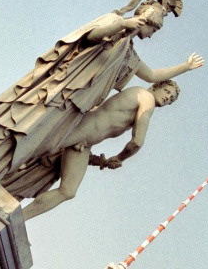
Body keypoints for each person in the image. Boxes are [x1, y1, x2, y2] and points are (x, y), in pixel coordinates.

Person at [0, 0, 203, 194]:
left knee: (36, 138)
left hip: (76, 106)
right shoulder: (116, 21)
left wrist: (185, 66)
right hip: (59, 89)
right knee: (25, 123)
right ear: (146, 18)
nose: (150, 35)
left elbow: (151, 75)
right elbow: (91, 36)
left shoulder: (128, 52)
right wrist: (125, 25)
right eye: (153, 28)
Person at [21, 80, 180, 220]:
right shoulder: (147, 98)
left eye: (171, 99)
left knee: (68, 191)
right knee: (33, 149)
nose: (168, 97)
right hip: (83, 127)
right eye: (167, 91)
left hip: (85, 142)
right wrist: (119, 158)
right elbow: (137, 141)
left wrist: (97, 160)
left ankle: (19, 219)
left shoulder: (137, 103)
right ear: (155, 87)